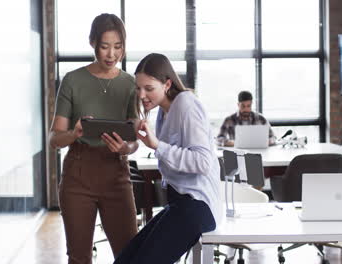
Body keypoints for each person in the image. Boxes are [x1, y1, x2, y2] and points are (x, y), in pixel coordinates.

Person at [114, 53, 222, 264]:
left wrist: (157, 146)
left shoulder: (186, 105)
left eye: (149, 88)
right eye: (138, 88)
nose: (142, 94)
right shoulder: (163, 113)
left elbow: (203, 162)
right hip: (180, 204)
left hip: (198, 206)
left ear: (167, 84)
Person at [49, 13, 139, 264]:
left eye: (118, 47)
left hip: (116, 175)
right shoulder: (72, 81)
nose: (112, 54)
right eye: (105, 46)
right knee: (79, 258)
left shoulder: (131, 84)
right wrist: (74, 133)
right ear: (92, 43)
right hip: (78, 176)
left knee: (130, 254)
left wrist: (125, 147)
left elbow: (134, 140)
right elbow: (54, 139)